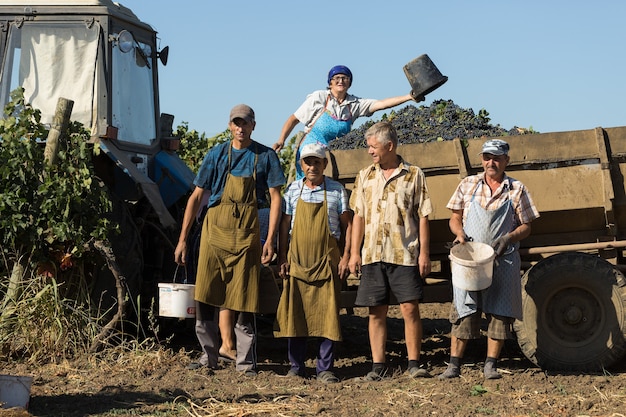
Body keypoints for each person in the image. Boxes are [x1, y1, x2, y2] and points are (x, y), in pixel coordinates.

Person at [174, 104, 286, 376]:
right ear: (229, 125)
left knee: (245, 296)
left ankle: (246, 363)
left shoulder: (265, 156)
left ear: (253, 125)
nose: (240, 128)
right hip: (215, 230)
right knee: (205, 293)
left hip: (247, 233)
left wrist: (269, 239)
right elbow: (197, 196)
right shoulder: (216, 155)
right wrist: (183, 239)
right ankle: (208, 356)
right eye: (236, 123)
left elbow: (275, 199)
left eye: (245, 123)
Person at [439, 138, 540, 380]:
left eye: (496, 158)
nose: (491, 162)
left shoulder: (516, 189)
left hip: (502, 259)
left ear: (506, 161)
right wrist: (459, 232)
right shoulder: (468, 184)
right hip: (471, 261)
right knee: (464, 308)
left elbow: (527, 225)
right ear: (482, 159)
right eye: (487, 157)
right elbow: (455, 217)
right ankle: (454, 366)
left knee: (500, 312)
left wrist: (509, 238)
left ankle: (490, 365)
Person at [348, 121, 433, 381]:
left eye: (374, 147)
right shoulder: (364, 176)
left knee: (410, 308)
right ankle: (378, 365)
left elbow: (423, 215)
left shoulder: (414, 174)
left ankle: (414, 363)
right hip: (373, 254)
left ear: (389, 146)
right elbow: (358, 216)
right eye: (369, 147)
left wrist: (424, 253)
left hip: (404, 252)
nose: (370, 151)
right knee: (376, 311)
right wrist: (354, 253)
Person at [274, 143, 352, 384]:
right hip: (297, 261)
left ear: (324, 164)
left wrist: (346, 256)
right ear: (301, 165)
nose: (312, 166)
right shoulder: (292, 191)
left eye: (317, 162)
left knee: (328, 315)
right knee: (295, 313)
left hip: (327, 261)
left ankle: (325, 368)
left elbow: (347, 226)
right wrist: (283, 257)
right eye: (307, 162)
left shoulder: (337, 191)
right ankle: (296, 366)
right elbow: (284, 227)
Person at [272, 65, 423, 180]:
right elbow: (294, 119)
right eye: (336, 78)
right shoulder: (320, 98)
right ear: (330, 82)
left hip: (333, 155)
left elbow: (381, 104)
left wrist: (409, 97)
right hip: (311, 152)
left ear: (350, 82)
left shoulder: (354, 104)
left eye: (345, 78)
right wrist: (281, 140)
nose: (340, 81)